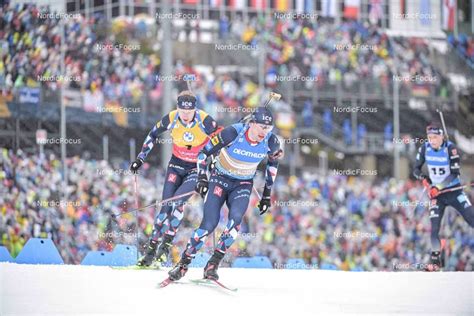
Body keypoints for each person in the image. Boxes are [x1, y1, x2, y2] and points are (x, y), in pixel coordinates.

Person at [167, 107, 283, 281]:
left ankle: (213, 264)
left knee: (235, 221)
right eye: (260, 126)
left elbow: (272, 166)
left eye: (268, 128)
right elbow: (203, 153)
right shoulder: (233, 133)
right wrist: (202, 178)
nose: (263, 132)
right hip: (219, 179)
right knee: (209, 225)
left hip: (243, 184)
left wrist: (267, 194)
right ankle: (183, 264)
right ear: (251, 123)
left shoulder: (272, 141)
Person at [130, 90, 220, 267]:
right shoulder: (171, 117)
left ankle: (165, 246)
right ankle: (150, 251)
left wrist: (213, 163)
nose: (185, 115)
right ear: (177, 108)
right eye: (182, 111)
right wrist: (141, 158)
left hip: (195, 169)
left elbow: (220, 140)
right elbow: (152, 134)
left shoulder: (204, 120)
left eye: (189, 111)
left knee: (176, 202)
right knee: (165, 208)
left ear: (195, 109)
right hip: (176, 166)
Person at [413, 123, 474, 271]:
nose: (432, 140)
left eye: (435, 137)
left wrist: (438, 187)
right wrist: (424, 178)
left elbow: (454, 173)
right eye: (429, 137)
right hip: (437, 196)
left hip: (453, 192)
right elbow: (415, 168)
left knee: (472, 218)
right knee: (434, 228)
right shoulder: (424, 148)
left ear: (442, 136)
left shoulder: (450, 149)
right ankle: (435, 261)